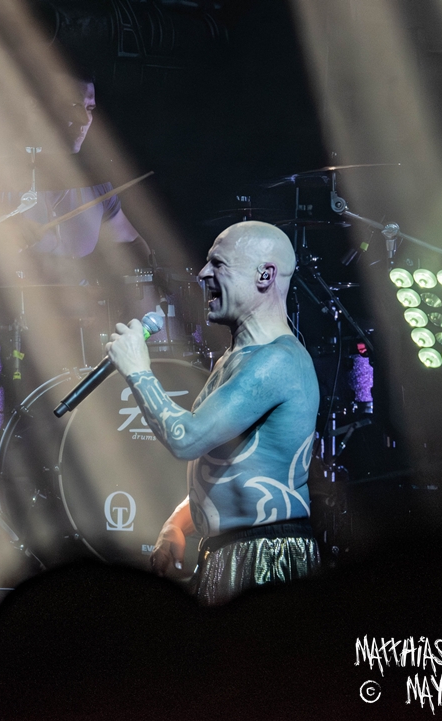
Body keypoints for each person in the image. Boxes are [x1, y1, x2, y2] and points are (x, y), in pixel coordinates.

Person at [106, 221, 321, 605]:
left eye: (218, 263)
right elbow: (233, 469)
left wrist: (138, 371)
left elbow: (187, 439)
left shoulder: (277, 360)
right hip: (230, 550)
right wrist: (178, 523)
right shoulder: (234, 360)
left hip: (266, 556)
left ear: (265, 275)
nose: (203, 273)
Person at [0, 69, 146, 274]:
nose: (85, 119)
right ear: (34, 105)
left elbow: (133, 243)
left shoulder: (95, 184)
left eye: (89, 108)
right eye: (73, 105)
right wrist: (0, 233)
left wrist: (154, 274)